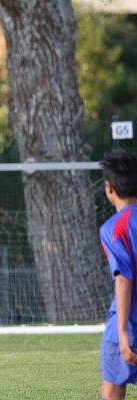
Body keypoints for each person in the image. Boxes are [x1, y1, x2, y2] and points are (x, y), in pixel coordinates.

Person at [99, 149, 137, 400]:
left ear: (108, 188)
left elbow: (123, 278)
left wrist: (123, 332)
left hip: (128, 326)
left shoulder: (114, 228)